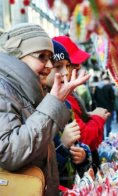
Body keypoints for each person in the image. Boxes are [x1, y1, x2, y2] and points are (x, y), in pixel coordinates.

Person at [0, 23, 90, 195]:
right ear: (18, 56)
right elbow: (10, 152)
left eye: (50, 57)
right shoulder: (4, 89)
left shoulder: (26, 91)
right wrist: (54, 103)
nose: (49, 64)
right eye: (42, 56)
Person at [53, 35, 110, 173]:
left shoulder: (69, 96)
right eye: (62, 66)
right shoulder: (64, 99)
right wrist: (97, 118)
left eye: (68, 66)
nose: (78, 66)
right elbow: (84, 138)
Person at [47, 40, 92, 188]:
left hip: (69, 186)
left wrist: (82, 155)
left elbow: (76, 143)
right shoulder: (37, 108)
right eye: (58, 67)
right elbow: (41, 168)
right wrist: (63, 147)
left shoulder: (66, 104)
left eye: (67, 66)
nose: (66, 72)